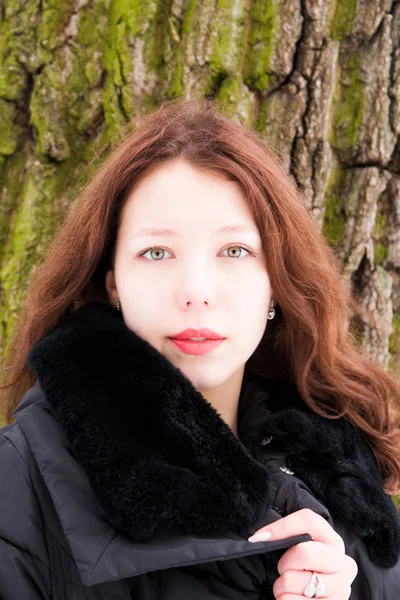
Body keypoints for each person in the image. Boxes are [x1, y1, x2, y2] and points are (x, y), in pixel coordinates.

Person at [0, 97, 399, 600]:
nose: (196, 290)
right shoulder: (14, 490)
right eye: (156, 252)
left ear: (276, 282)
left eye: (234, 250)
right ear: (113, 283)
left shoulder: (350, 480)